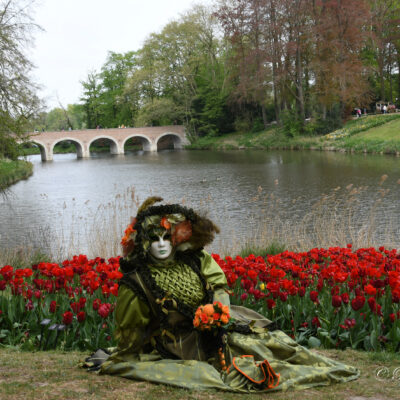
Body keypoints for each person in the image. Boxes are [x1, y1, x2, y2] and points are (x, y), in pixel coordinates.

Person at [84, 197, 359, 393]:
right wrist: (128, 354)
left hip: (220, 323)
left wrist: (219, 310)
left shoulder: (196, 258)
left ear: (177, 238)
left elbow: (218, 286)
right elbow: (131, 332)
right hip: (178, 342)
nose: (161, 245)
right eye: (154, 239)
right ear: (143, 241)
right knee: (238, 363)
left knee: (269, 346)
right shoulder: (137, 282)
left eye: (166, 238)